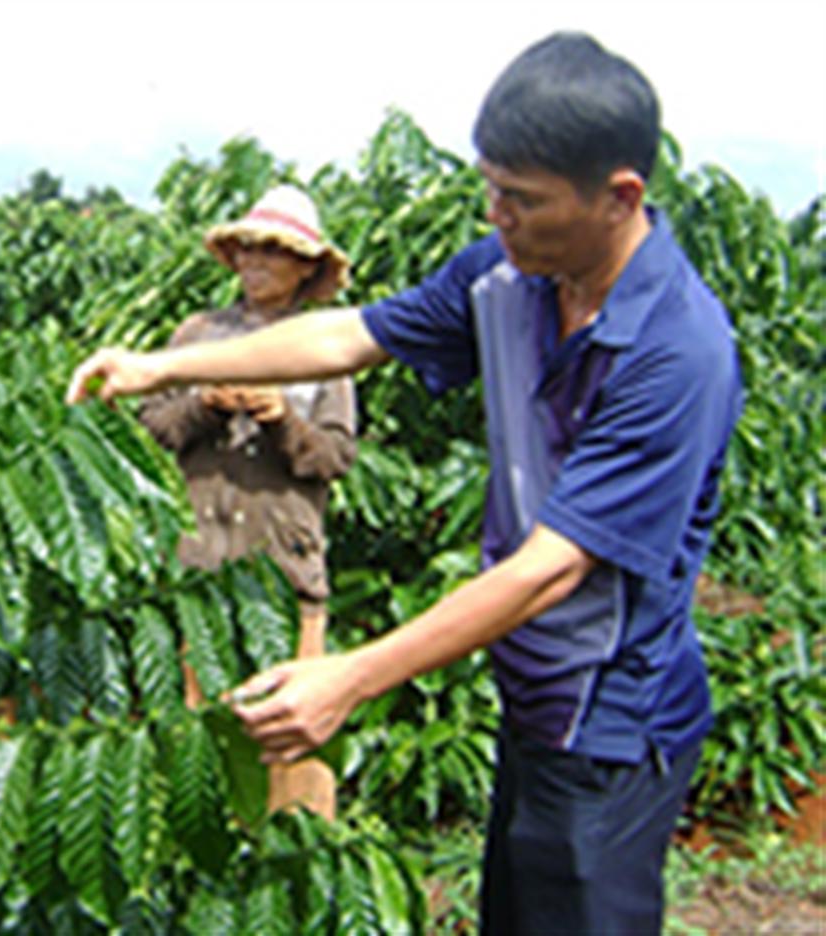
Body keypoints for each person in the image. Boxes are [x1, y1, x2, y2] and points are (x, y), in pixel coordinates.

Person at [68, 32, 743, 934]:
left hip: (612, 718)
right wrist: (158, 367)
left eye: (524, 198)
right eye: (491, 186)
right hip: (534, 698)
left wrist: (352, 678)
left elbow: (552, 567)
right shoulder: (506, 276)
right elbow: (346, 336)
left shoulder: (678, 352)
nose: (497, 213)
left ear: (621, 195)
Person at [137, 185, 356, 820]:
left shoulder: (325, 345)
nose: (256, 263)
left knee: (288, 729)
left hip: (282, 568)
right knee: (202, 727)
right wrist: (205, 405)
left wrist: (282, 419)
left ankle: (296, 864)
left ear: (306, 267)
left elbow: (336, 456)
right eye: (249, 250)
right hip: (201, 565)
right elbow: (153, 430)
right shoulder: (199, 335)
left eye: (274, 253)